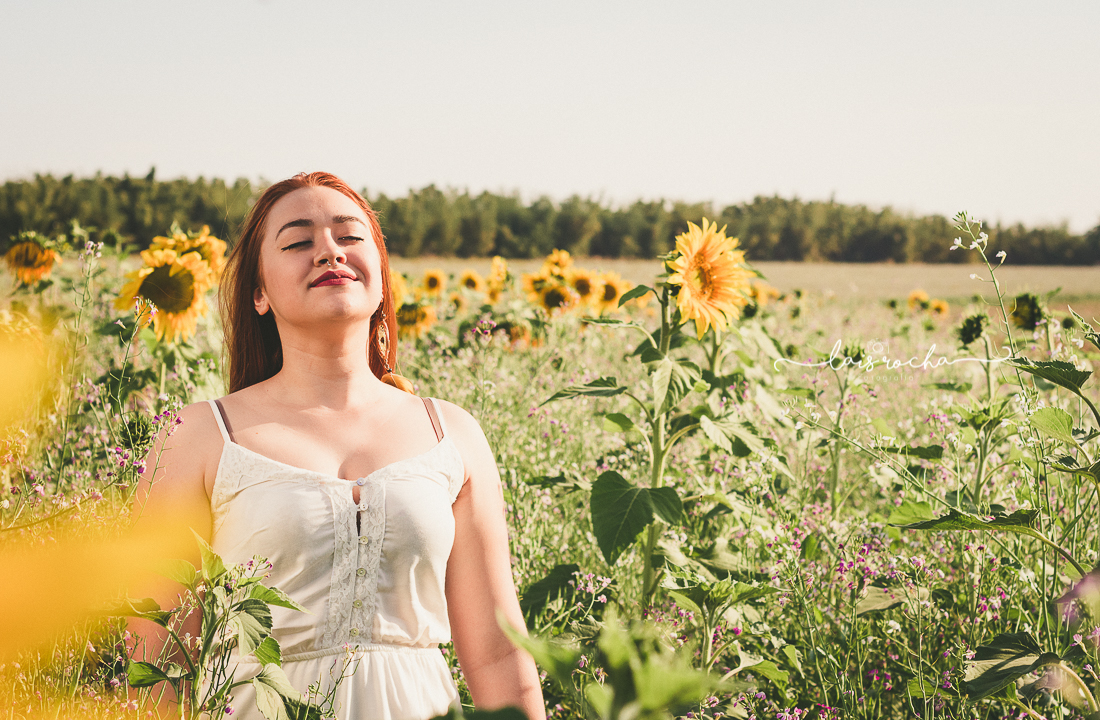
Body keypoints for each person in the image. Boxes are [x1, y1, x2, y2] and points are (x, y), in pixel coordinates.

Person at [128, 172, 545, 719]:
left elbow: (497, 659)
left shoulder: (452, 433)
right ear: (259, 293)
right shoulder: (200, 436)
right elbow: (157, 667)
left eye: (350, 237)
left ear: (380, 275)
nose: (329, 251)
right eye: (299, 242)